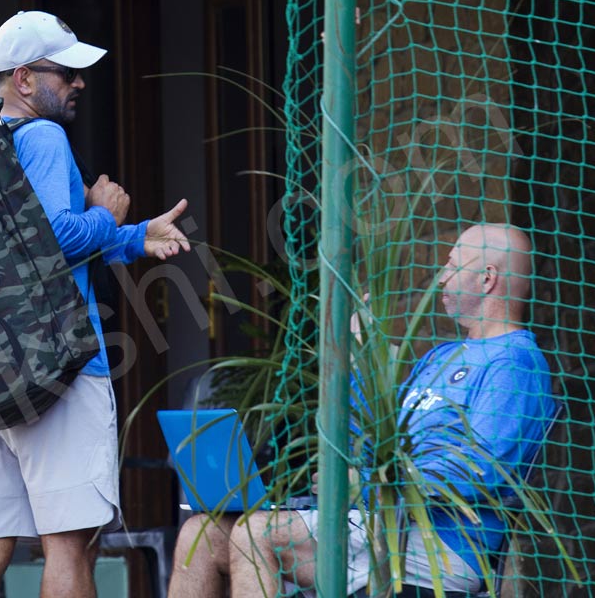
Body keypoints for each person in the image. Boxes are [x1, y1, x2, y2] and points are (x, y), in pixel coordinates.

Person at [0, 11, 191, 598]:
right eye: (66, 72)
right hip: (56, 366)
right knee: (69, 544)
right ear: (25, 79)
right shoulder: (44, 137)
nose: (79, 83)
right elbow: (53, 241)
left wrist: (133, 237)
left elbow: (20, 253)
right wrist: (108, 215)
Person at [167, 224, 558, 597]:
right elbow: (373, 441)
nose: (441, 279)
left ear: (487, 278)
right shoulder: (441, 357)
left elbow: (480, 471)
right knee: (198, 535)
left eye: (453, 266)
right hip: (378, 524)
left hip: (440, 545)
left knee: (256, 534)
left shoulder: (516, 363)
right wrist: (358, 362)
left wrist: (370, 481)